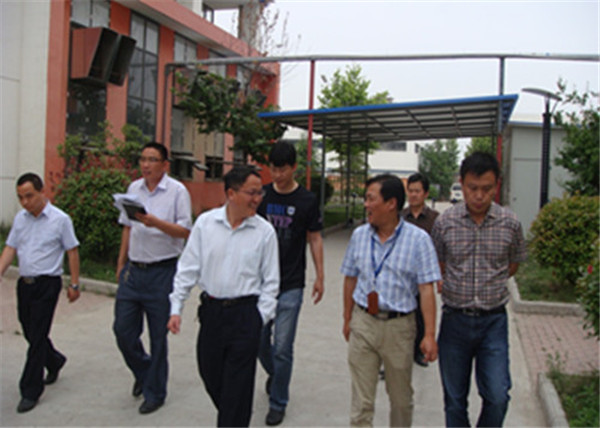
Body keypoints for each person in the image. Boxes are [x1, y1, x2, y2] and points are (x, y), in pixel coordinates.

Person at [168, 166, 279, 427]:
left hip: (245, 315)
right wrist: (176, 307)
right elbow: (188, 268)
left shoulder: (264, 232)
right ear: (231, 193)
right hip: (212, 313)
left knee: (237, 388)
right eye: (251, 193)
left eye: (260, 193)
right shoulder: (206, 224)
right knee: (211, 374)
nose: (257, 199)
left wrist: (259, 319)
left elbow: (271, 282)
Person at [431, 152, 526, 427]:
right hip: (455, 320)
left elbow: (512, 265)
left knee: (498, 395)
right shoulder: (445, 223)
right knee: (454, 400)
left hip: (493, 322)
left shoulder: (510, 223)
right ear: (462, 184)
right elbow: (440, 265)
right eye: (473, 188)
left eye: (486, 188)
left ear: (496, 185)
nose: (479, 196)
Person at [341, 174, 441, 427]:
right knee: (361, 403)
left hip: (399, 327)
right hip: (363, 322)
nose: (366, 205)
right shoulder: (359, 236)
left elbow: (426, 289)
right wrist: (347, 318)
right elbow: (350, 279)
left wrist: (429, 334)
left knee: (400, 400)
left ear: (391, 204)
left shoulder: (418, 240)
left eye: (371, 199)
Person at [112, 142, 192, 415]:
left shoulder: (177, 191)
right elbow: (127, 227)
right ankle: (144, 371)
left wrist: (154, 222)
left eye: (152, 160)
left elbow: (185, 231)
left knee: (158, 336)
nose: (145, 165)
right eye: (143, 159)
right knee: (123, 331)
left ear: (164, 164)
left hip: (162, 272)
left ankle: (155, 392)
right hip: (134, 271)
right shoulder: (134, 189)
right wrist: (121, 263)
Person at [0, 173, 81, 413]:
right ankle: (54, 360)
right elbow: (10, 248)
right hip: (25, 284)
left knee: (37, 336)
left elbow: (72, 251)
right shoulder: (20, 219)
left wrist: (74, 284)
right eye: (20, 197)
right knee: (30, 330)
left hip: (48, 284)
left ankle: (30, 390)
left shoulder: (60, 220)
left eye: (29, 196)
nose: (25, 202)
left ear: (41, 192)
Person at [256, 141, 325, 426]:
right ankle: (276, 373)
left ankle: (278, 402)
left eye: (282, 170)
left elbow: (315, 238)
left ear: (294, 168)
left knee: (283, 347)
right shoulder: (261, 195)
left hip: (291, 283)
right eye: (273, 169)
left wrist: (320, 276)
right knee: (259, 340)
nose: (277, 175)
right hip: (261, 283)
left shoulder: (307, 200)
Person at [401, 173, 439, 368]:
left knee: (422, 314)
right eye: (411, 191)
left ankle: (419, 350)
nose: (413, 195)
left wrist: (440, 276)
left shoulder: (435, 219)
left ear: (425, 193)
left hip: (424, 274)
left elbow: (440, 248)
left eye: (417, 191)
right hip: (403, 274)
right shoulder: (400, 217)